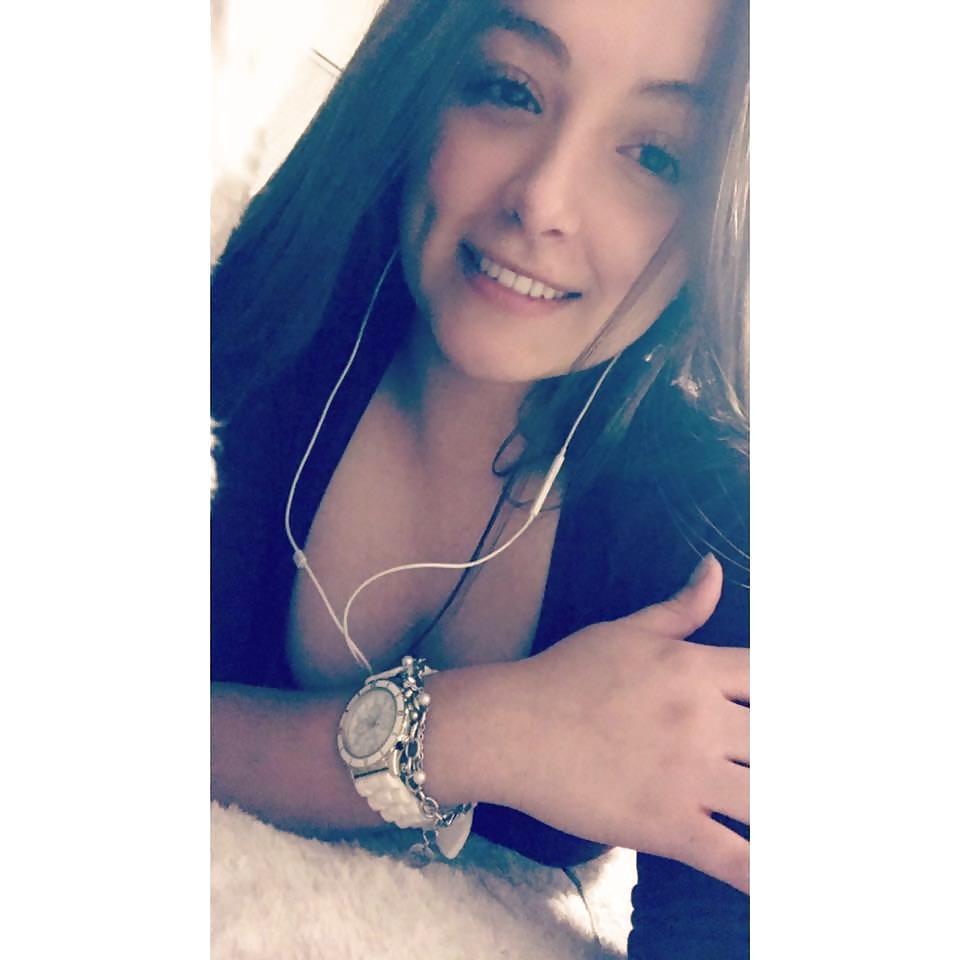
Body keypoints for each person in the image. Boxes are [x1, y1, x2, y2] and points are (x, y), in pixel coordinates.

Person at [211, 0, 749, 956]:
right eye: (511, 89)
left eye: (655, 155)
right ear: (424, 82)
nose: (544, 200)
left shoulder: (722, 530)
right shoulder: (246, 322)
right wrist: (480, 734)